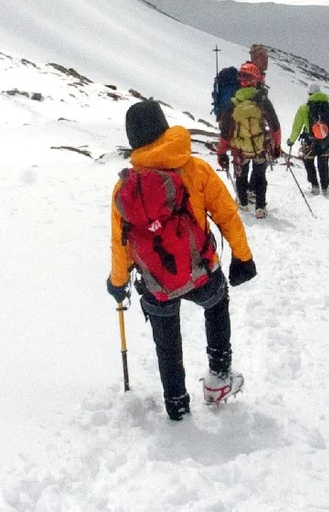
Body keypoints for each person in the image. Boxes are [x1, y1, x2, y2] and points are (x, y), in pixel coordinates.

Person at [109, 100, 258, 421]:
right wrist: (242, 257)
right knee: (216, 306)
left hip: (156, 284)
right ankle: (219, 378)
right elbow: (227, 216)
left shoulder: (125, 188)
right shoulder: (196, 169)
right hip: (201, 273)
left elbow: (120, 243)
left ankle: (176, 404)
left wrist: (118, 282)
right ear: (164, 127)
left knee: (167, 343)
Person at [217, 62, 281, 218]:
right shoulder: (262, 100)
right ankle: (260, 207)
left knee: (241, 176)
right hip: (260, 147)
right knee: (260, 177)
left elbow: (225, 132)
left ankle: (243, 204)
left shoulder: (233, 103)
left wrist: (221, 153)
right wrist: (276, 146)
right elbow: (275, 126)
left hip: (240, 150)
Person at [287, 83, 329, 194]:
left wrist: (291, 140)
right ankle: (325, 185)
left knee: (308, 161)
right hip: (326, 141)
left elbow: (297, 127)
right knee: (323, 162)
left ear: (309, 94)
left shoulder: (304, 108)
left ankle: (314, 184)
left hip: (310, 141)